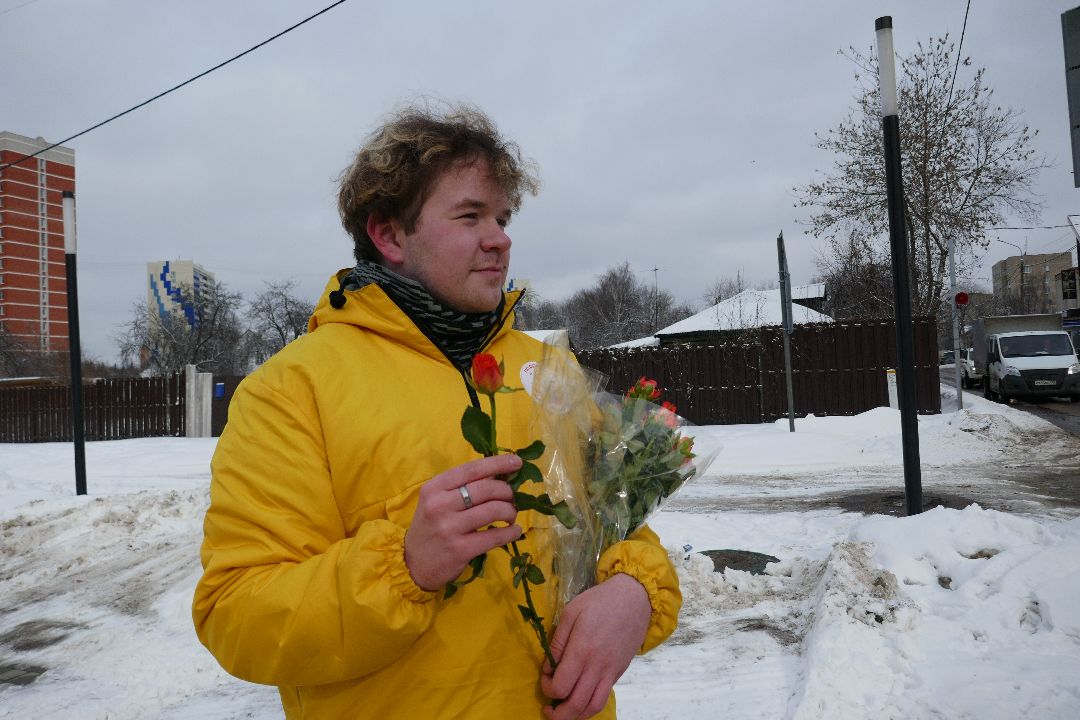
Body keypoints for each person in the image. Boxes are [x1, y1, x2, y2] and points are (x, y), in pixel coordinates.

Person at [192, 103, 681, 720]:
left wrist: (634, 591)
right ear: (390, 234)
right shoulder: (294, 388)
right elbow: (235, 614)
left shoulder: (550, 371)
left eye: (502, 217)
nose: (499, 237)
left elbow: (618, 526)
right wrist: (404, 565)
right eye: (470, 215)